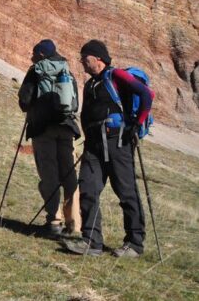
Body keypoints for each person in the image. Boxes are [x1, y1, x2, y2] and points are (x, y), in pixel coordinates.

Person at [64, 40, 154, 258]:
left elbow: (146, 94)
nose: (82, 62)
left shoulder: (115, 76)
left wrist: (136, 124)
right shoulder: (90, 83)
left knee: (126, 192)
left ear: (98, 58)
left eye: (85, 58)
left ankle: (134, 244)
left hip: (118, 141)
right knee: (88, 188)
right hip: (94, 145)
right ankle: (91, 242)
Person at [18, 39, 82, 238]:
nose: (31, 57)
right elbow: (75, 104)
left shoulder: (36, 71)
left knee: (49, 174)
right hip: (66, 128)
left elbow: (24, 101)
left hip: (43, 129)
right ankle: (75, 224)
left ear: (42, 55)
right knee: (69, 175)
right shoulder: (67, 71)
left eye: (34, 53)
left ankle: (54, 222)